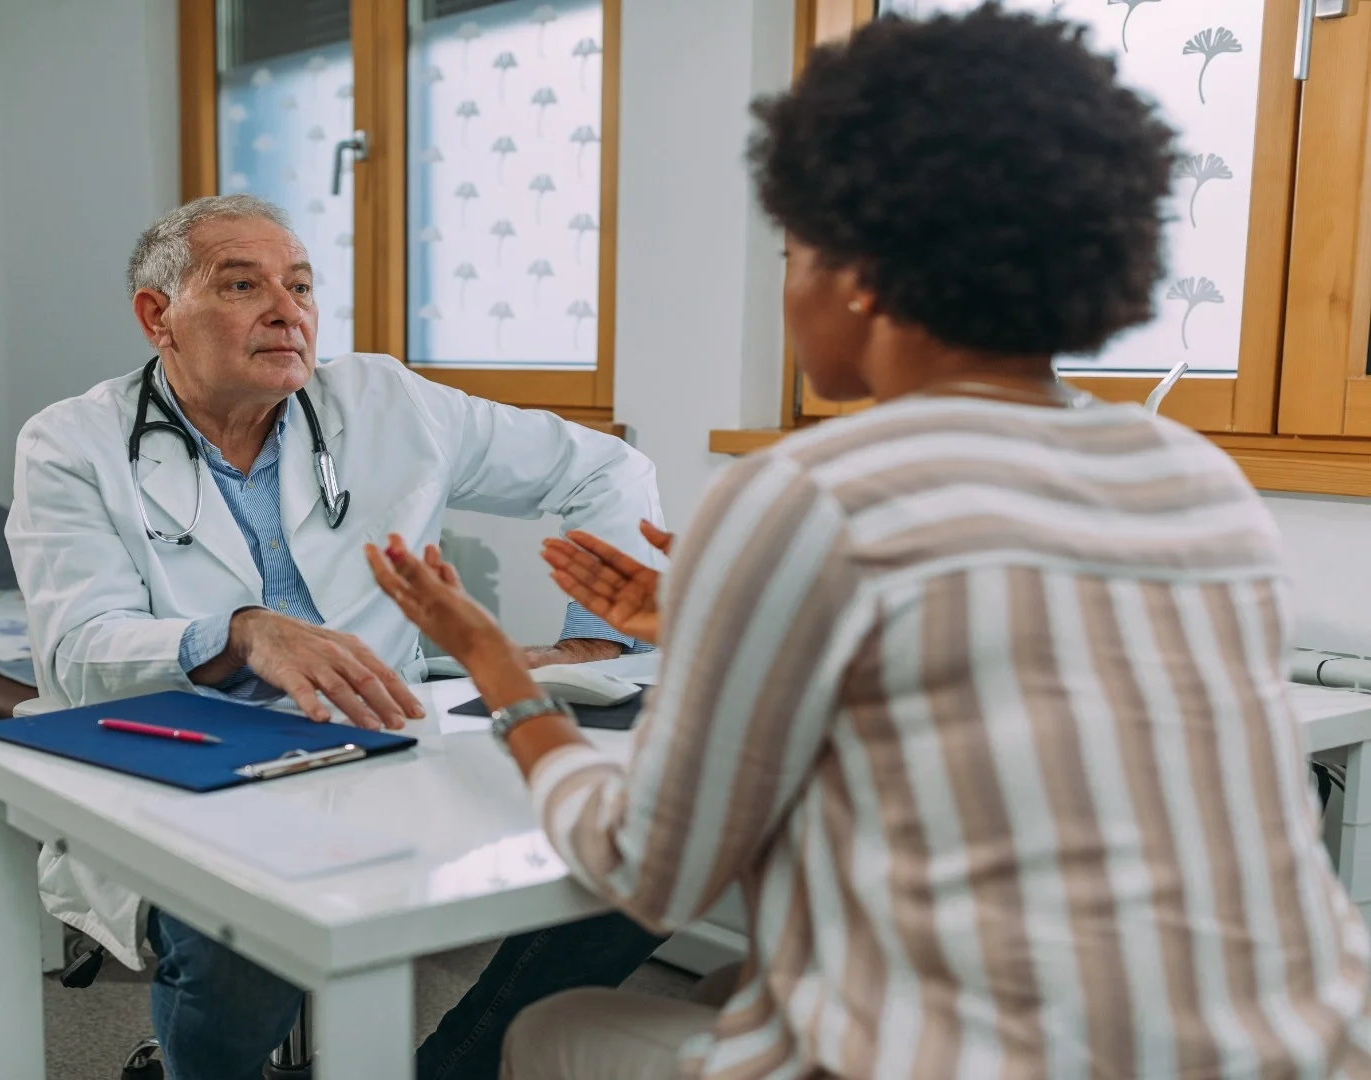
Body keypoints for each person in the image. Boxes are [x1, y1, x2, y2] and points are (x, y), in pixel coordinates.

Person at [368, 7, 1371, 1078]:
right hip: (1288, 1045)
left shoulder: (812, 491)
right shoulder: (1194, 478)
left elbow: (646, 868)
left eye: (792, 253)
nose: (788, 289)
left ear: (861, 274)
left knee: (549, 1030)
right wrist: (719, 624)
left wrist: (503, 675)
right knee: (729, 986)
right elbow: (975, 669)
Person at [4, 193, 667, 1080]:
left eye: (303, 285)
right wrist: (241, 634)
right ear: (158, 316)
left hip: (391, 742)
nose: (289, 310)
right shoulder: (72, 444)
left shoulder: (386, 402)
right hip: (185, 766)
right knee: (237, 939)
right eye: (243, 285)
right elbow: (80, 643)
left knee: (648, 846)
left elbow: (609, 470)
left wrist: (596, 642)